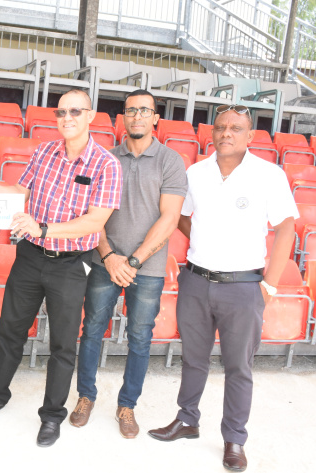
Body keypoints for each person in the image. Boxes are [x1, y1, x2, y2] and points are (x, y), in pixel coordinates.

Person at [148, 104, 298, 472]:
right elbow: (180, 215)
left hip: (244, 286)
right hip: (197, 281)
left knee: (238, 367)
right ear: (211, 134)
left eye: (235, 128)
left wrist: (270, 286)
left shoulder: (268, 174)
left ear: (250, 136)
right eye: (220, 127)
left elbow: (286, 229)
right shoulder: (196, 172)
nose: (226, 133)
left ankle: (234, 438)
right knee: (193, 359)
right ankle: (187, 420)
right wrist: (200, 237)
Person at [0, 89, 122, 447]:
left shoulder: (105, 164)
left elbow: (95, 221)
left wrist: (45, 229)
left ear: (91, 116)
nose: (66, 118)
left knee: (63, 345)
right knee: (11, 331)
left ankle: (52, 415)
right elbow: (21, 193)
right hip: (30, 256)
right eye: (60, 112)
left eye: (74, 111)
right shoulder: (45, 151)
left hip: (71, 264)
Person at [71, 89, 187, 438]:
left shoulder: (170, 161)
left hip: (146, 269)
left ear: (155, 118)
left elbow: (169, 219)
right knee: (91, 330)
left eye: (144, 110)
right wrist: (109, 256)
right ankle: (85, 398)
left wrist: (134, 260)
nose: (136, 116)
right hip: (104, 261)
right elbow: (91, 215)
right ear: (122, 118)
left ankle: (127, 405)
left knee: (139, 337)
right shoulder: (105, 158)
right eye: (130, 110)